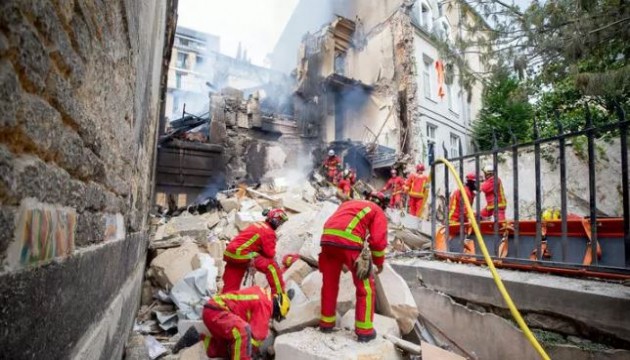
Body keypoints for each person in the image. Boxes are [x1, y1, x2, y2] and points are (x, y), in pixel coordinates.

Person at [318, 192, 388, 342]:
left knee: (329, 284)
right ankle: (365, 331)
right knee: (366, 288)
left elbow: (338, 222)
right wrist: (379, 262)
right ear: (382, 204)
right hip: (348, 241)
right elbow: (377, 241)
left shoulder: (348, 204)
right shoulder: (377, 210)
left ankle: (326, 323)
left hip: (326, 240)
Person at [173, 286, 291, 360]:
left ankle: (195, 339)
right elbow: (258, 335)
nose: (273, 318)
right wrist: (252, 353)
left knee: (229, 349)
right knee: (243, 332)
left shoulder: (263, 294)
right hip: (217, 310)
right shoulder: (266, 304)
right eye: (276, 316)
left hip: (213, 311)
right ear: (278, 309)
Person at [222, 208, 288, 295]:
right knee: (272, 266)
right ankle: (280, 297)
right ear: (277, 221)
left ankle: (225, 302)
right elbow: (269, 253)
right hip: (241, 254)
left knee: (231, 282)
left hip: (230, 253)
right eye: (280, 222)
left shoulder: (258, 224)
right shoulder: (269, 232)